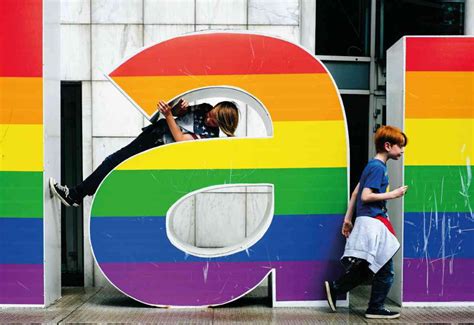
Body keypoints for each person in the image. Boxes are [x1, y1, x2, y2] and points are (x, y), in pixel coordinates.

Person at [50, 99, 239, 207]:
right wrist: (178, 109)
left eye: (213, 120)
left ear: (221, 125)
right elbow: (181, 114)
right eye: (211, 113)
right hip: (153, 135)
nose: (208, 117)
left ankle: (77, 194)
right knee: (114, 162)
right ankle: (79, 193)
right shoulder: (205, 107)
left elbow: (181, 140)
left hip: (159, 149)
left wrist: (168, 115)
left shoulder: (209, 137)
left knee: (114, 164)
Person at [324, 125, 408, 319]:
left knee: (372, 265)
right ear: (388, 146)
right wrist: (393, 194)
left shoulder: (372, 166)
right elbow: (366, 195)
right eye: (400, 146)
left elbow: (356, 192)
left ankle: (337, 288)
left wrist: (347, 219)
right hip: (373, 222)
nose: (402, 150)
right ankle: (375, 307)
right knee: (386, 270)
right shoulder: (378, 168)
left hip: (368, 221)